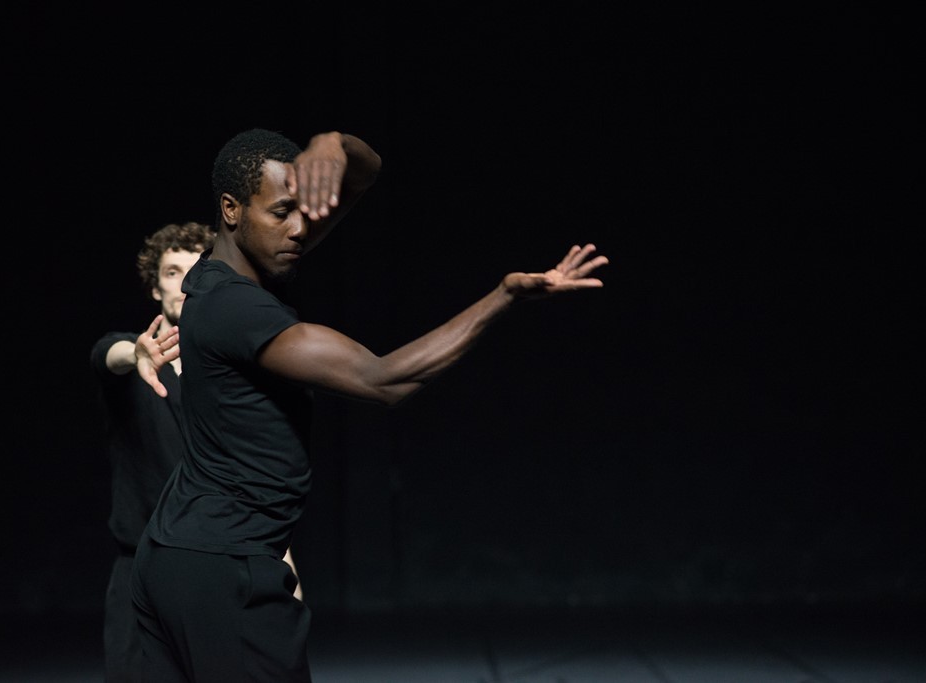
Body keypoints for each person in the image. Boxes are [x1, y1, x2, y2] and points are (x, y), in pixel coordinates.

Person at [130, 128, 609, 683]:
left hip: (172, 556)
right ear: (231, 210)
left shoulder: (217, 274)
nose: (300, 229)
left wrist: (334, 143)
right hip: (222, 572)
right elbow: (386, 381)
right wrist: (503, 297)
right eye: (282, 212)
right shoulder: (237, 309)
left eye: (303, 212)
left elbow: (366, 171)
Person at [91, 221, 302, 682]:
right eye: (172, 272)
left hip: (222, 568)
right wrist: (136, 353)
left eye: (194, 271)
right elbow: (107, 355)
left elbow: (255, 471)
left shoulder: (233, 371)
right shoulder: (133, 363)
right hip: (141, 569)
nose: (184, 282)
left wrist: (283, 560)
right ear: (155, 287)